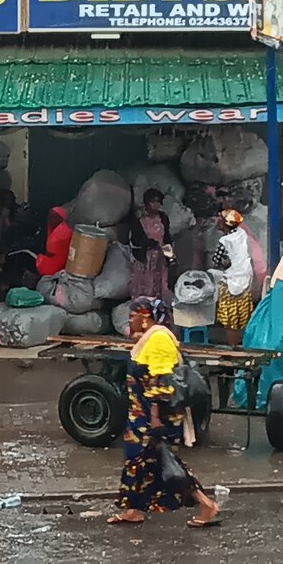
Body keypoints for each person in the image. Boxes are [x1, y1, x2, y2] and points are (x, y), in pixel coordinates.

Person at [108, 298, 219, 528]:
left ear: (146, 317)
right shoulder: (149, 339)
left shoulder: (159, 338)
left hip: (152, 418)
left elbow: (161, 382)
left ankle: (206, 504)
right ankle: (133, 510)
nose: (129, 320)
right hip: (140, 416)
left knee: (164, 464)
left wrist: (155, 417)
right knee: (141, 465)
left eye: (133, 316)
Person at [211, 209, 255, 347]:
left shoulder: (224, 241)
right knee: (243, 316)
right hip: (244, 279)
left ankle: (233, 348)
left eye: (220, 220)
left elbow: (216, 260)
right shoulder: (242, 234)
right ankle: (247, 345)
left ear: (225, 224)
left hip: (231, 282)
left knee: (230, 320)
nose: (217, 222)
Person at [128, 188, 174, 304]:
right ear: (146, 203)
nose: (156, 205)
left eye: (158, 202)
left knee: (160, 286)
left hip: (160, 258)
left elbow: (167, 237)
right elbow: (136, 240)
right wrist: (151, 244)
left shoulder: (163, 218)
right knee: (146, 288)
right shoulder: (139, 220)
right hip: (145, 261)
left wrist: (170, 256)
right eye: (153, 202)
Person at [35, 205, 72, 277]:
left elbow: (52, 253)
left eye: (55, 217)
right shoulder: (64, 229)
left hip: (55, 266)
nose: (52, 220)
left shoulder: (58, 235)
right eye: (50, 217)